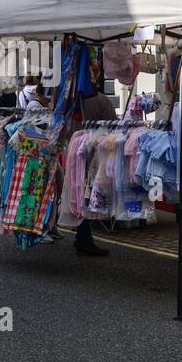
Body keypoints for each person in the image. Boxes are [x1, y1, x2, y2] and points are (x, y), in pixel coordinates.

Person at [71, 90, 117, 257]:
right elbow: (113, 124)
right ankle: (84, 238)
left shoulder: (71, 96)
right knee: (88, 194)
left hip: (73, 150)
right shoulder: (101, 100)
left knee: (79, 192)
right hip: (95, 152)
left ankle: (81, 236)